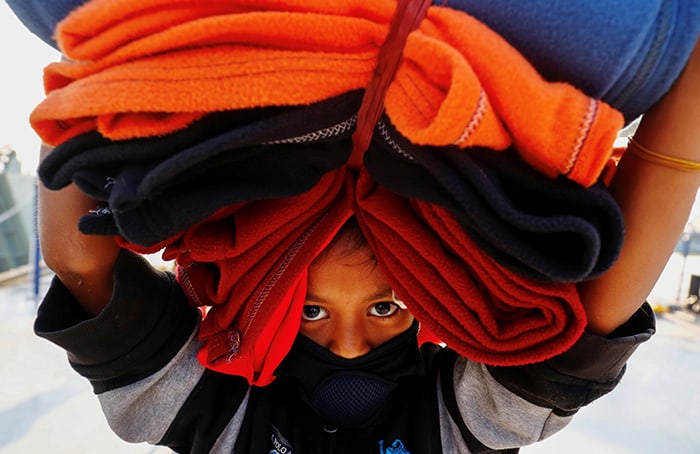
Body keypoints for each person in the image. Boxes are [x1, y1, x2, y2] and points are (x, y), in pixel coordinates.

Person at [33, 35, 700, 453]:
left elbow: (80, 263)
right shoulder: (463, 429)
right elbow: (597, 315)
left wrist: (99, 54)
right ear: (438, 304)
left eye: (308, 310)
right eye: (390, 307)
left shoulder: (210, 421)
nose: (349, 348)